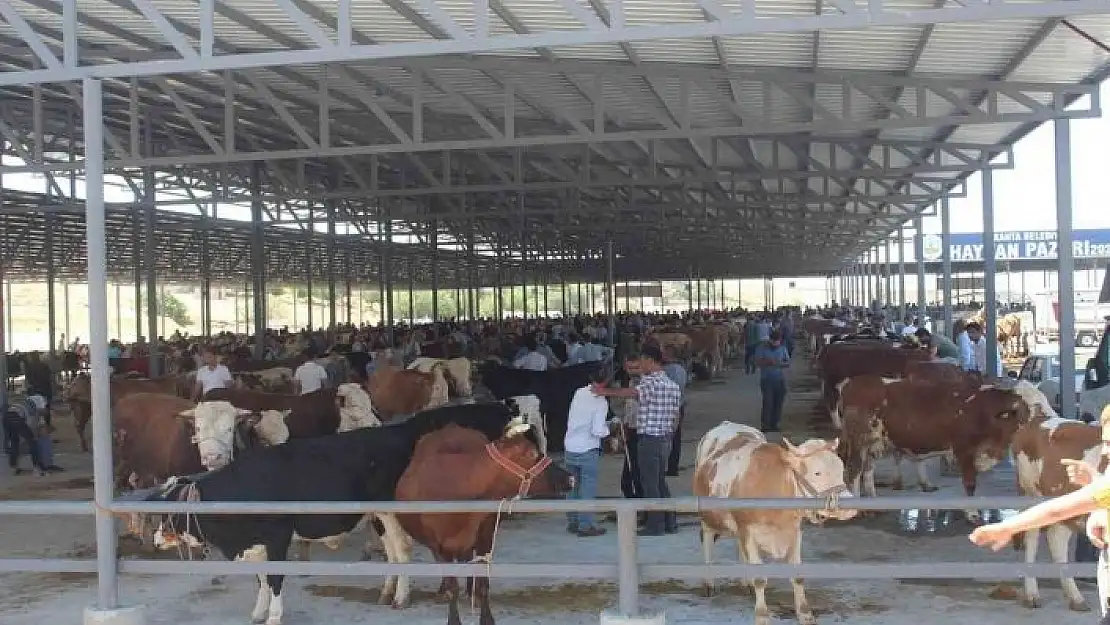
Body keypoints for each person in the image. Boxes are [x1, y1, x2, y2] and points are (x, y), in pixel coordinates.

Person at [969, 409, 1110, 622]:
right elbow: (1057, 509)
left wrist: (1006, 528)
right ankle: (1032, 582)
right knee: (1036, 526)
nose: (1103, 452)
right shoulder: (1034, 435)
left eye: (1108, 444)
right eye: (1103, 442)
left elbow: (1059, 510)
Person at [591, 345, 681, 536]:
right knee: (659, 482)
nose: (641, 366)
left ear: (650, 361)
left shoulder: (650, 382)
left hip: (649, 439)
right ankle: (670, 522)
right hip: (665, 439)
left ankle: (655, 525)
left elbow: (631, 393)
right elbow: (676, 417)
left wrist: (603, 391)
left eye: (642, 362)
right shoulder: (673, 386)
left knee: (649, 484)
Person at [563, 367, 613, 538]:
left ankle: (573, 521)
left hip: (570, 446)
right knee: (587, 489)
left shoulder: (579, 392)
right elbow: (597, 431)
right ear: (606, 382)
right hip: (587, 448)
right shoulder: (601, 401)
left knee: (572, 487)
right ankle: (586, 525)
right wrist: (610, 428)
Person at [3, 394, 50, 476]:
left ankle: (14, 467)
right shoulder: (34, 408)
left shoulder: (26, 401)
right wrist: (35, 433)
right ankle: (37, 469)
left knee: (14, 442)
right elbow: (31, 425)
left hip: (6, 417)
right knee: (33, 441)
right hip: (17, 417)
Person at [754, 329, 791, 433]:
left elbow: (787, 362)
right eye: (774, 341)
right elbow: (757, 361)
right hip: (767, 379)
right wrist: (767, 362)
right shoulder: (761, 348)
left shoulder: (783, 349)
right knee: (768, 402)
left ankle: (775, 424)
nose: (776, 343)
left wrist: (779, 363)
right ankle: (765, 425)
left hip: (780, 379)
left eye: (778, 341)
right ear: (770, 340)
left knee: (778, 403)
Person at [662, 352, 689, 477]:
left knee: (665, 436)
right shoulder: (682, 370)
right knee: (676, 436)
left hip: (669, 405)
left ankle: (664, 465)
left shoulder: (666, 371)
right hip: (680, 405)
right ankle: (673, 467)